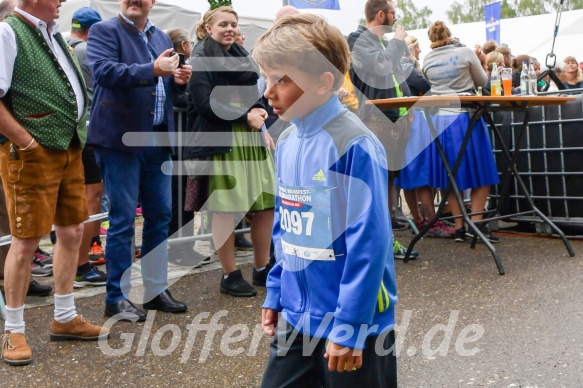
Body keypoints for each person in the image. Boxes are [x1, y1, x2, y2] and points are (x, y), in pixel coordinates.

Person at [254, 14, 397, 386]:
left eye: (281, 79)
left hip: (354, 324)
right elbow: (287, 224)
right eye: (266, 78)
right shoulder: (285, 141)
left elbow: (371, 242)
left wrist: (351, 324)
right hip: (297, 316)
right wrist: (275, 290)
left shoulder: (355, 144)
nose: (268, 91)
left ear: (323, 82)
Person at [0, 0, 110, 366]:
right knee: (25, 240)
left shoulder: (51, 34)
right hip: (33, 151)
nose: (62, 0)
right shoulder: (7, 31)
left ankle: (64, 317)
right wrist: (26, 142)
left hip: (68, 146)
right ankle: (13, 329)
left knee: (73, 231)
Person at [87, 0, 191, 321]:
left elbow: (163, 91)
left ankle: (154, 290)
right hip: (120, 140)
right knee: (122, 219)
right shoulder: (103, 30)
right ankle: (116, 297)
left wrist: (177, 82)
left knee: (160, 214)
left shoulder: (161, 37)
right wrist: (153, 70)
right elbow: (104, 72)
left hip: (158, 139)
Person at [184, 6, 275, 297]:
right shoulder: (200, 58)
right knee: (225, 208)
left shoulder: (239, 55)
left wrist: (260, 115)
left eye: (233, 24)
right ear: (208, 28)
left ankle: (263, 268)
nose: (230, 29)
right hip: (220, 141)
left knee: (266, 204)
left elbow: (252, 93)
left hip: (249, 139)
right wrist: (244, 117)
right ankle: (229, 274)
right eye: (223, 24)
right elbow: (204, 102)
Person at [347, 0, 419, 259]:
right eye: (393, 14)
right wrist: (398, 42)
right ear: (380, 14)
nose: (396, 19)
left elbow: (397, 76)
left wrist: (408, 109)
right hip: (376, 120)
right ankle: (372, 243)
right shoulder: (358, 39)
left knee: (388, 181)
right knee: (374, 181)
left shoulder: (380, 43)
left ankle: (385, 241)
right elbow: (381, 67)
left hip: (396, 119)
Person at [422, 21, 500, 243]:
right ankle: (475, 223)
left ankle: (458, 227)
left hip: (439, 122)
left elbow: (429, 84)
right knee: (483, 171)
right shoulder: (464, 52)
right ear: (450, 35)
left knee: (450, 174)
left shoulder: (427, 59)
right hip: (465, 118)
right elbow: (483, 82)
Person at [64, 6, 108, 288]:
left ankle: (74, 262)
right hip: (89, 131)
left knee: (72, 199)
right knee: (91, 197)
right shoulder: (86, 51)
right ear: (94, 30)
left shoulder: (62, 45)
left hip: (70, 134)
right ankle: (81, 265)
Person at [165, 26, 212, 268]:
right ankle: (178, 248)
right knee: (179, 197)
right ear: (183, 46)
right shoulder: (172, 69)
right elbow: (177, 99)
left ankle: (184, 246)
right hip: (178, 145)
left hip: (186, 145)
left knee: (186, 197)